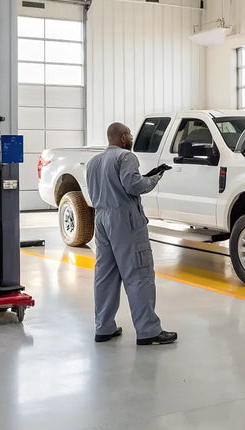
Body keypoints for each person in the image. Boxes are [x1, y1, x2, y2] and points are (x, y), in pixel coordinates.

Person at [86, 122, 176, 346]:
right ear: (124, 136)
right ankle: (148, 331)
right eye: (129, 134)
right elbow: (133, 186)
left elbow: (112, 186)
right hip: (125, 220)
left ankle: (103, 327)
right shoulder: (126, 157)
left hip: (101, 219)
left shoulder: (94, 162)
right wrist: (154, 179)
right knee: (139, 273)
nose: (131, 137)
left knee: (105, 275)